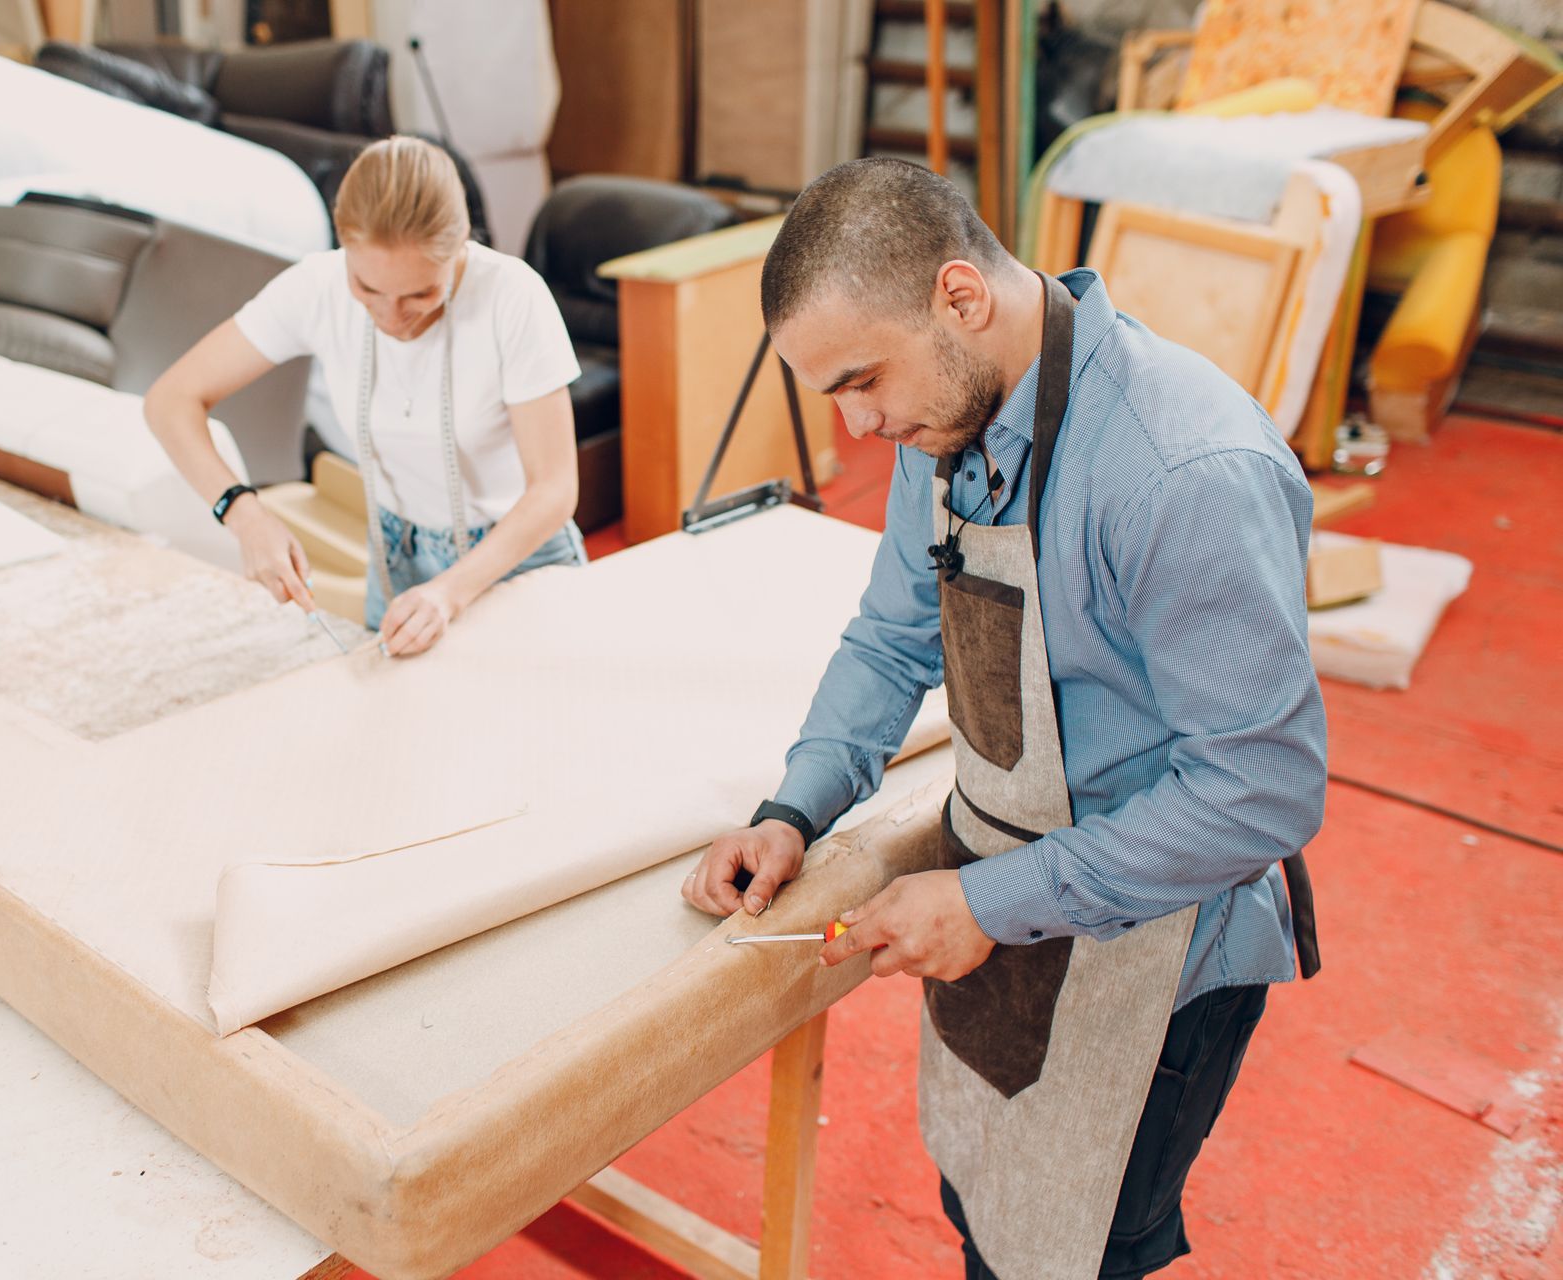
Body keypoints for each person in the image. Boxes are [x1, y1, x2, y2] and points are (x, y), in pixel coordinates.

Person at [681, 158, 1325, 1278]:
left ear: (960, 296)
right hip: (1001, 921)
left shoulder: (1180, 469)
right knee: (992, 1206)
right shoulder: (940, 413)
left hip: (1154, 959)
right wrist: (793, 807)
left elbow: (1259, 789)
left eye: (863, 379)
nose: (857, 420)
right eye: (832, 391)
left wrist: (991, 899)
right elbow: (891, 636)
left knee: (1077, 1250)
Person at [145, 135, 584, 657]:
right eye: (368, 289)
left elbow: (554, 490)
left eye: (420, 293)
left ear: (461, 243)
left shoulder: (512, 298)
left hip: (516, 556)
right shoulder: (317, 288)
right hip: (395, 562)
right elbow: (171, 400)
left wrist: (450, 592)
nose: (392, 318)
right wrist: (243, 513)